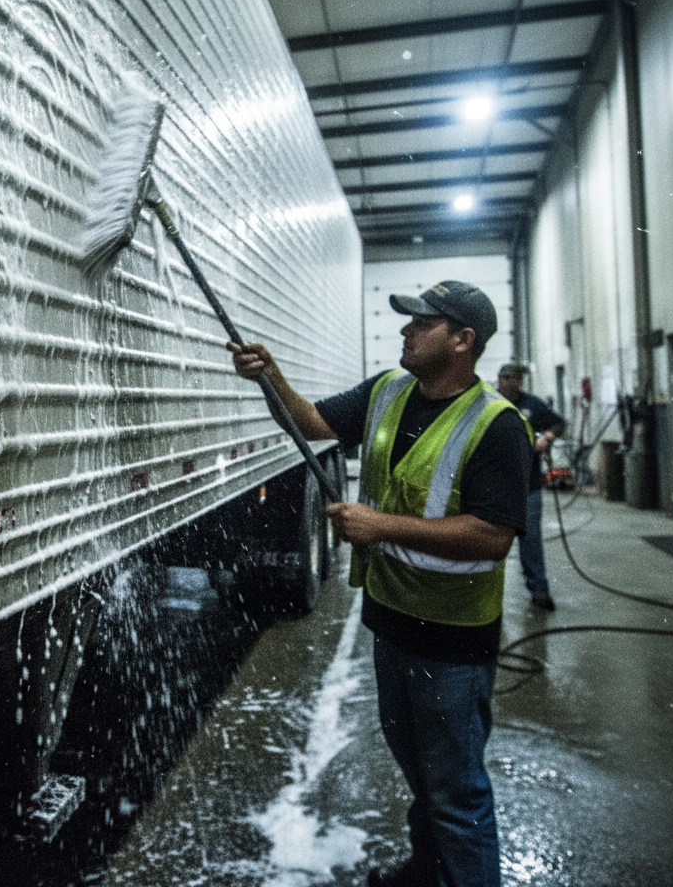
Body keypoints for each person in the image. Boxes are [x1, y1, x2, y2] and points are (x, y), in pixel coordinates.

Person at [228, 280, 532, 887]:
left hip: (452, 639)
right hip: (391, 621)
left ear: (463, 340)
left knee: (456, 793)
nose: (405, 330)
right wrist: (270, 376)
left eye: (422, 322)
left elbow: (493, 536)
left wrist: (380, 525)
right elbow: (311, 422)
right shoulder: (388, 390)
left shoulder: (498, 425)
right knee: (421, 773)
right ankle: (428, 869)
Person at [496, 362, 566, 611]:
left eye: (515, 378)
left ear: (521, 380)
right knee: (490, 540)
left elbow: (558, 423)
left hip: (528, 484)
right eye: (506, 377)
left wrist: (547, 437)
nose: (510, 382)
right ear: (499, 379)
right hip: (495, 485)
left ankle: (539, 590)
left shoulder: (532, 405)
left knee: (531, 538)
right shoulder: (489, 402)